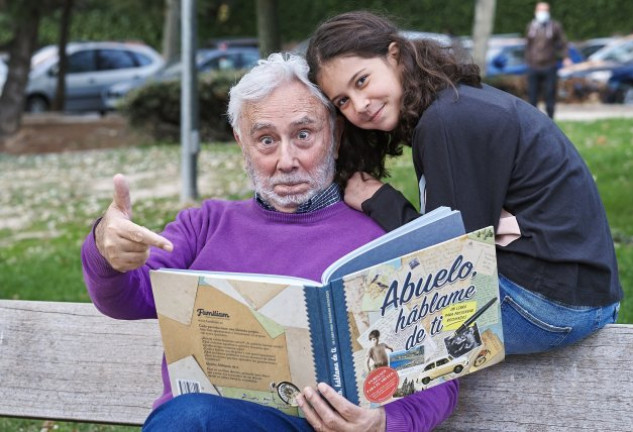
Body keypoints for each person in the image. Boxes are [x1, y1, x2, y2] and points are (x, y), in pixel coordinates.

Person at [81, 53, 458, 432]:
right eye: (265, 140)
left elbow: (437, 372)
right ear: (241, 143)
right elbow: (124, 299)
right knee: (195, 415)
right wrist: (106, 248)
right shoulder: (204, 225)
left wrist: (383, 424)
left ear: (336, 135)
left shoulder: (382, 237)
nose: (286, 160)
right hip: (204, 422)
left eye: (303, 135)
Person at [305, 10, 622, 356]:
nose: (360, 105)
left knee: (369, 341)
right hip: (573, 294)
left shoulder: (447, 121)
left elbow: (450, 260)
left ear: (394, 55)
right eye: (343, 101)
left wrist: (378, 199)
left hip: (547, 306)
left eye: (362, 81)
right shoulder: (452, 104)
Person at [525, 2, 571, 118]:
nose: (542, 13)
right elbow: (527, 45)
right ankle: (532, 119)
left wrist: (565, 57)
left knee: (550, 93)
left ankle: (550, 119)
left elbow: (563, 43)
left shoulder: (554, 26)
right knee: (532, 95)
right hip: (533, 66)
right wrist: (527, 60)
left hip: (549, 65)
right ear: (535, 11)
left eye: (545, 10)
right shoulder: (531, 26)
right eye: (540, 10)